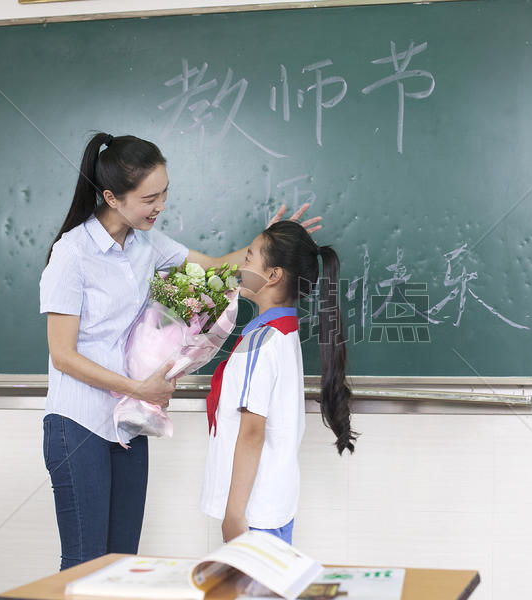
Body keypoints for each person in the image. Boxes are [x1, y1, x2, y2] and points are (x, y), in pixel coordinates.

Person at [39, 132, 321, 570]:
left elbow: (212, 268)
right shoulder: (72, 254)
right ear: (112, 197)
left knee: (119, 566)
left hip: (126, 427)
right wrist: (139, 387)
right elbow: (63, 355)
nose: (160, 206)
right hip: (78, 424)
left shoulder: (145, 244)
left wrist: (267, 245)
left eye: (164, 192)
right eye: (150, 197)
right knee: (83, 565)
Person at [200, 220, 357, 545]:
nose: (239, 267)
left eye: (248, 258)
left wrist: (234, 515)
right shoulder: (283, 333)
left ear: (273, 276)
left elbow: (252, 432)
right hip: (272, 504)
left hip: (253, 512)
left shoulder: (261, 342)